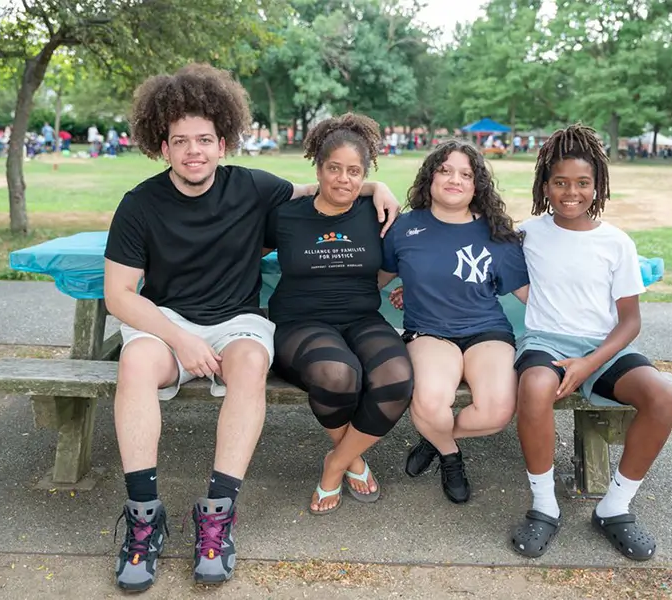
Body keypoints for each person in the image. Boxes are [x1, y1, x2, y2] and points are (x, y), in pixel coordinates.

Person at [103, 64, 400, 592]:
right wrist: (181, 339)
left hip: (237, 320)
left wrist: (375, 183)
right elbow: (120, 295)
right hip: (167, 322)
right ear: (162, 147)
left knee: (250, 364)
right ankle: (144, 519)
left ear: (223, 142)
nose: (193, 151)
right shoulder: (138, 205)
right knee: (134, 362)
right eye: (179, 141)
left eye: (203, 140)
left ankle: (216, 516)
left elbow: (326, 186)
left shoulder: (254, 188)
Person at [508, 124, 672, 561]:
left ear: (597, 185)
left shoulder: (616, 242)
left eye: (583, 183)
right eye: (560, 182)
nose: (571, 192)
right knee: (535, 387)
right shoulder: (526, 234)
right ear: (545, 184)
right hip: (545, 341)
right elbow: (475, 265)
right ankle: (544, 507)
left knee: (661, 395)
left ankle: (614, 507)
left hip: (605, 349)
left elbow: (630, 321)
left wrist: (588, 363)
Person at [264, 113, 413, 515]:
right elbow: (237, 250)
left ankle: (338, 460)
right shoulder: (286, 215)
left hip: (362, 318)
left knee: (397, 378)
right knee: (338, 374)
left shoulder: (378, 212)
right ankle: (353, 462)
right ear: (319, 168)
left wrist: (378, 188)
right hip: (298, 323)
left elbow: (407, 256)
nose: (343, 179)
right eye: (334, 169)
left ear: (364, 174)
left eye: (354, 171)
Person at [381, 140, 529, 504]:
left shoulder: (496, 234)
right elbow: (376, 281)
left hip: (487, 333)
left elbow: (531, 295)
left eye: (465, 174)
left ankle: (435, 439)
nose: (454, 180)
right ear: (430, 177)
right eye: (445, 170)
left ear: (477, 184)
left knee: (496, 412)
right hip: (430, 334)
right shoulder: (403, 228)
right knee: (431, 404)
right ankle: (450, 456)